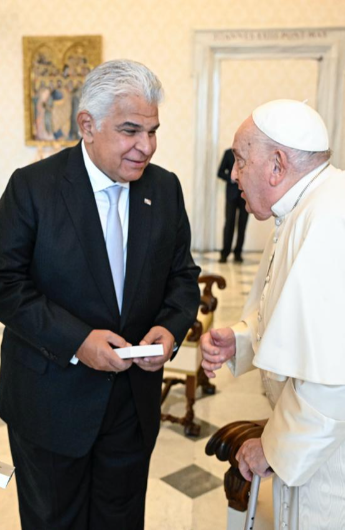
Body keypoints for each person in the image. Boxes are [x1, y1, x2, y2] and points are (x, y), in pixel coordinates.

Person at [0, 59, 200, 530]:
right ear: (86, 125)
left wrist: (170, 332)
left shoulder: (165, 189)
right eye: (131, 130)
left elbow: (183, 277)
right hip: (49, 402)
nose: (145, 146)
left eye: (152, 131)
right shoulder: (33, 188)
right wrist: (77, 341)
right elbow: (6, 283)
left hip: (132, 404)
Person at [201, 99, 345, 529]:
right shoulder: (308, 206)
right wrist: (240, 338)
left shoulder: (329, 222)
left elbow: (340, 381)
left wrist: (273, 446)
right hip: (329, 441)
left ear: (277, 164)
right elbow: (292, 309)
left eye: (239, 160)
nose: (233, 174)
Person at [217, 148, 249, 263]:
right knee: (229, 223)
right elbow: (220, 172)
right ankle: (225, 253)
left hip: (246, 194)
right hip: (231, 194)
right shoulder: (228, 153)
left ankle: (238, 253)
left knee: (242, 224)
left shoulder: (249, 153)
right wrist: (231, 179)